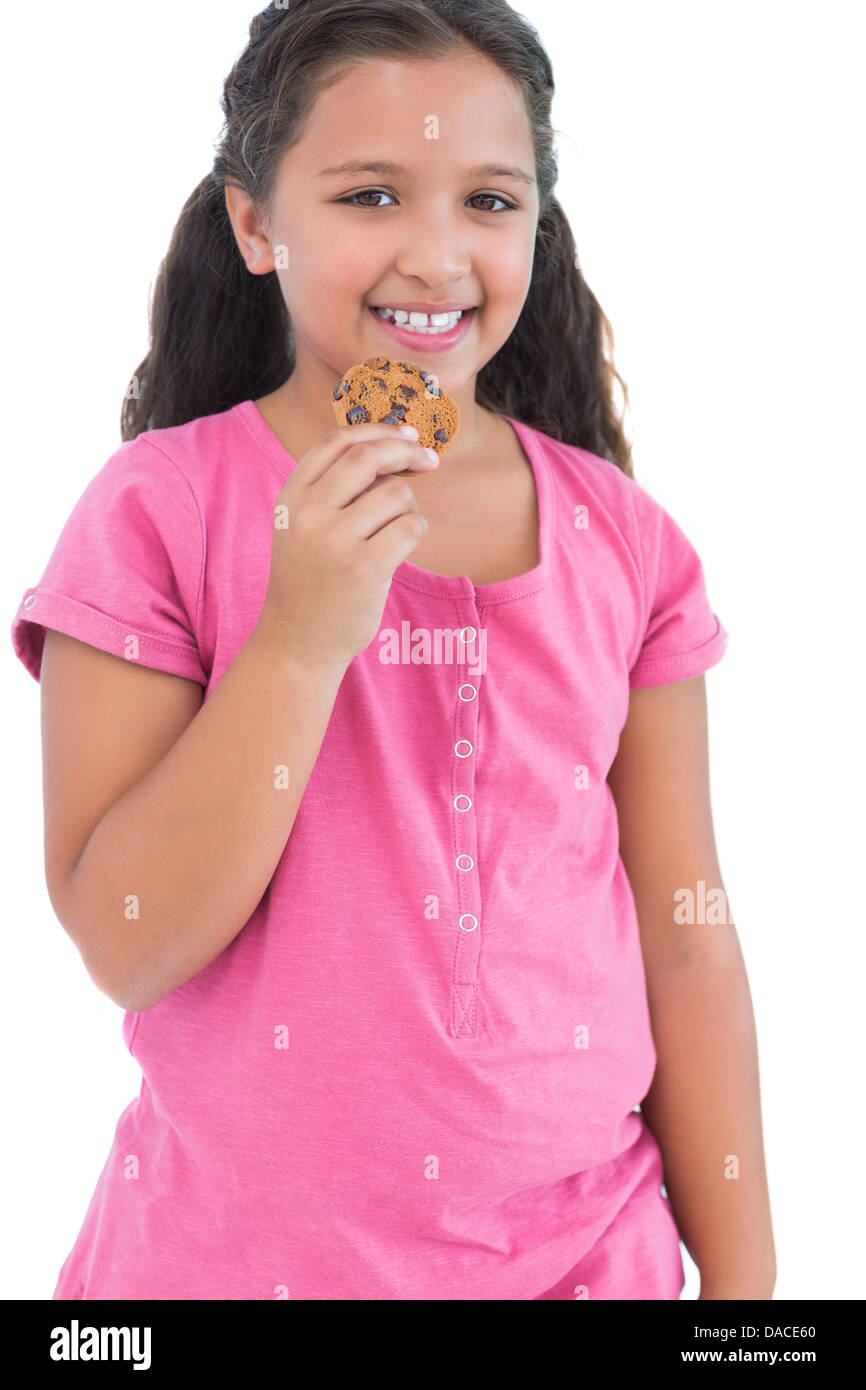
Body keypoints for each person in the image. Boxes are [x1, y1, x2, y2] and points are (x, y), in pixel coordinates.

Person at [11, 0, 775, 1300]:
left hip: (588, 1263)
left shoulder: (624, 542)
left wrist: (752, 1298)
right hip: (223, 1273)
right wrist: (299, 640)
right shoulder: (159, 510)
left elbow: (686, 933)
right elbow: (125, 938)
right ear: (257, 224)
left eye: (487, 201)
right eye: (370, 195)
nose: (436, 255)